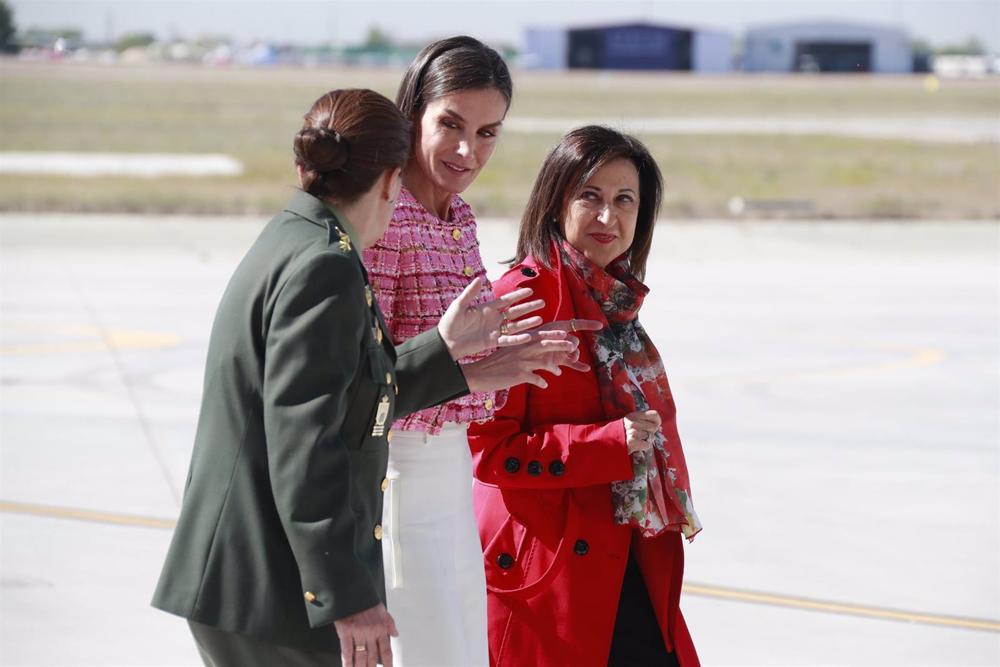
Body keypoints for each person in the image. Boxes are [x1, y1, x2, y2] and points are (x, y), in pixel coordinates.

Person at [151, 88, 583, 667]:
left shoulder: (294, 237)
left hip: (243, 585)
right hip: (267, 591)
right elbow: (307, 446)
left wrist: (450, 358)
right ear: (389, 179)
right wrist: (350, 597)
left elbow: (344, 393)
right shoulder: (325, 266)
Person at [360, 36, 601, 667]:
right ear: (412, 110)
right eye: (451, 125)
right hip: (395, 479)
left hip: (450, 478)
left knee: (463, 647)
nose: (469, 152)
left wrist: (509, 354)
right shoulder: (386, 214)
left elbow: (451, 359)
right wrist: (483, 366)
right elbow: (368, 379)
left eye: (489, 132)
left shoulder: (458, 215)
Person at [468, 125, 704, 667]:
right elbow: (488, 450)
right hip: (550, 570)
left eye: (625, 200)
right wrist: (608, 444)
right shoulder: (523, 301)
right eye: (590, 197)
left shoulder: (613, 301)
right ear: (555, 203)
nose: (608, 217)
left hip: (622, 551)